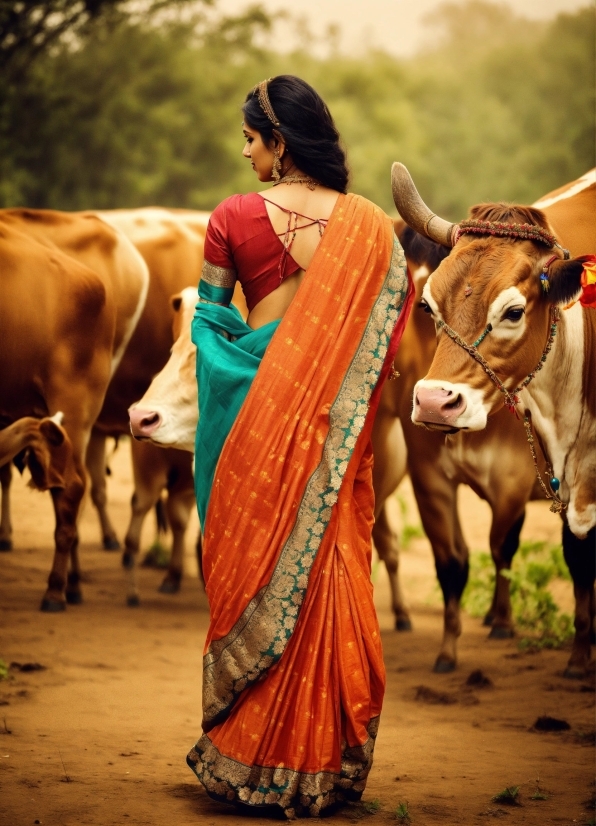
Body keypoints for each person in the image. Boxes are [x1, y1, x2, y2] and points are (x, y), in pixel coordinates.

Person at [186, 75, 413, 819]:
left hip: (253, 430)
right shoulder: (372, 229)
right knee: (325, 575)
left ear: (280, 142)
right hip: (330, 433)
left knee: (255, 571)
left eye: (251, 138)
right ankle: (320, 768)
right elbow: (378, 355)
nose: (244, 150)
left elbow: (212, 333)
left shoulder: (230, 217)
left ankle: (251, 761)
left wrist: (253, 377)